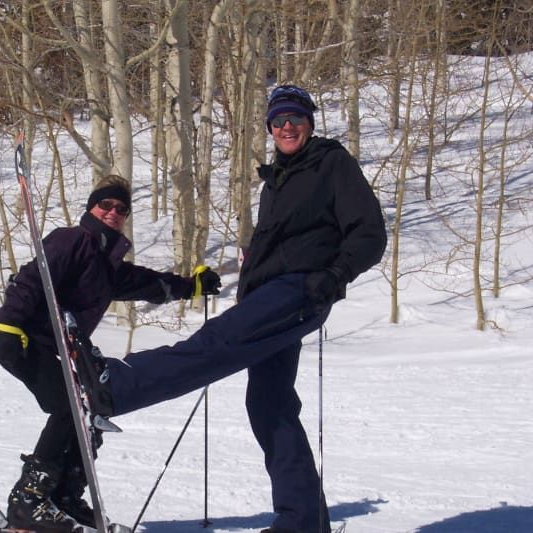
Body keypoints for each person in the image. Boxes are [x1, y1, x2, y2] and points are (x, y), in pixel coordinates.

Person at [83, 85, 386, 533]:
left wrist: (332, 276)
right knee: (269, 403)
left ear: (310, 124)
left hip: (299, 288)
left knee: (216, 344)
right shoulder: (280, 178)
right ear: (269, 127)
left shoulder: (331, 163)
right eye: (279, 121)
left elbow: (370, 233)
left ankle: (118, 386)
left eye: (295, 119)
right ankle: (303, 524)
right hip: (272, 292)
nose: (287, 127)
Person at [0, 175, 221, 532]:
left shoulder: (107, 265)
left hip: (54, 349)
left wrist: (191, 287)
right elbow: (32, 278)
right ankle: (29, 500)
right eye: (105, 205)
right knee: (69, 407)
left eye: (121, 209)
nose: (113, 212)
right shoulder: (72, 240)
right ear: (92, 208)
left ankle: (63, 496)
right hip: (22, 339)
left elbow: (150, 284)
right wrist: (7, 323)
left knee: (87, 411)